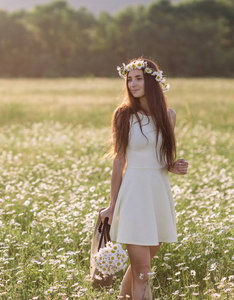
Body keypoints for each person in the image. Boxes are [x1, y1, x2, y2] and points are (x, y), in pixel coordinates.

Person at [100, 58, 189, 299]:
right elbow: (119, 160)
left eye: (138, 78)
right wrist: (112, 204)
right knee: (143, 272)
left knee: (143, 265)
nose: (132, 84)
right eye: (129, 79)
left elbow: (162, 158)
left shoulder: (168, 116)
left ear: (152, 80)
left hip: (158, 194)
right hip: (134, 194)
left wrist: (174, 166)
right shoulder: (124, 115)